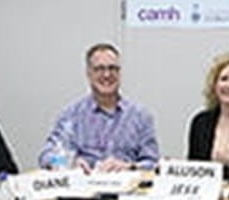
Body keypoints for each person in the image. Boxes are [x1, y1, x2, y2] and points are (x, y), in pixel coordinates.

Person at [37, 42, 159, 172]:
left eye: (113, 68)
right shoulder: (71, 116)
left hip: (127, 190)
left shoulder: (141, 117)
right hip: (82, 189)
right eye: (99, 69)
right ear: (89, 73)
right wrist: (70, 163)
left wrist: (129, 167)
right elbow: (47, 156)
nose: (107, 75)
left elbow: (153, 163)